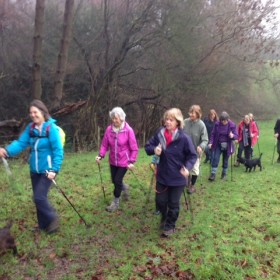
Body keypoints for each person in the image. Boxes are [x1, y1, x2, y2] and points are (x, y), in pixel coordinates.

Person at [0, 99, 64, 234]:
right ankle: (42, 226)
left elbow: (58, 150)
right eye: (31, 113)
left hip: (48, 170)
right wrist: (6, 151)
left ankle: (53, 218)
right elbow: (21, 143)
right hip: (34, 169)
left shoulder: (50, 128)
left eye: (35, 112)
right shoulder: (31, 128)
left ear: (42, 112)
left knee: (39, 197)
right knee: (37, 197)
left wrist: (54, 169)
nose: (33, 115)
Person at [145, 108, 197, 237]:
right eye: (166, 119)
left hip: (178, 177)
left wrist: (187, 167)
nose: (167, 122)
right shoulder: (160, 133)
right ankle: (164, 216)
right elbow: (148, 147)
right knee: (161, 201)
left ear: (177, 122)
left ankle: (170, 226)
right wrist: (154, 150)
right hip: (162, 175)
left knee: (173, 203)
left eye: (171, 120)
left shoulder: (184, 138)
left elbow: (192, 155)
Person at [95, 107, 138, 212]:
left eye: (116, 119)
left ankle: (115, 202)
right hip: (113, 160)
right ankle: (125, 187)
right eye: (113, 118)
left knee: (117, 180)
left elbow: (134, 148)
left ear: (122, 118)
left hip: (124, 161)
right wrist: (100, 155)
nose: (114, 121)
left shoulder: (128, 130)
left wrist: (131, 161)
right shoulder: (109, 129)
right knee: (114, 180)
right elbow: (105, 144)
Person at [183, 105, 208, 194]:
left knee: (194, 169)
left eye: (193, 113)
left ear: (198, 114)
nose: (191, 114)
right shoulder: (185, 122)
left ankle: (192, 186)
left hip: (195, 152)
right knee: (185, 167)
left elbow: (205, 140)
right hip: (184, 151)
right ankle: (187, 182)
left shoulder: (201, 125)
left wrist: (201, 146)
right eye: (190, 112)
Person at [208, 111, 238, 181]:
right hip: (218, 144)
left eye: (225, 120)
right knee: (215, 158)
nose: (223, 122)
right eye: (222, 120)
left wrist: (232, 135)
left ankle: (224, 174)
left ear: (228, 119)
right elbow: (213, 134)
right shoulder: (217, 124)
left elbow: (236, 135)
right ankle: (213, 174)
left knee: (225, 160)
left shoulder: (232, 125)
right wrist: (210, 142)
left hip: (228, 145)